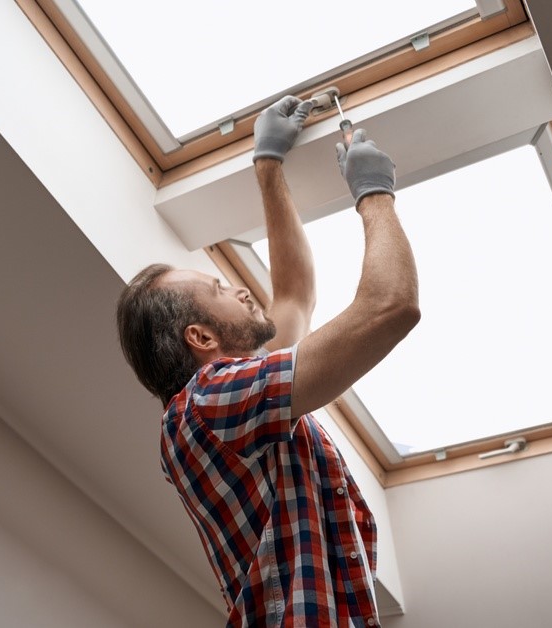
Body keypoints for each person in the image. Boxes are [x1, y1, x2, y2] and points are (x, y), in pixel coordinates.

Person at [116, 95, 420, 627]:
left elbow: (294, 298)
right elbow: (390, 307)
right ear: (201, 336)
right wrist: (375, 194)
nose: (236, 288)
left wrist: (268, 166)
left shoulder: (227, 414)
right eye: (218, 287)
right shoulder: (206, 407)